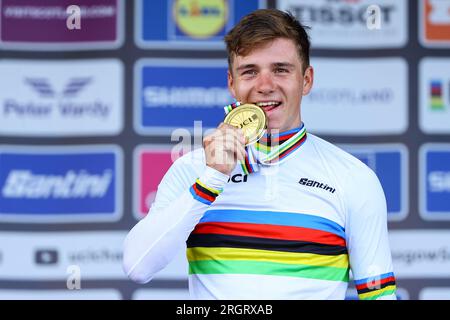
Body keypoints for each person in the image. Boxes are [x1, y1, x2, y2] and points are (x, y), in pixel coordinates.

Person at [123, 8, 397, 300]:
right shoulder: (193, 169)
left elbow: (378, 296)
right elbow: (138, 266)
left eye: (281, 69)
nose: (265, 86)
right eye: (250, 71)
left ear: (306, 80)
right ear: (232, 83)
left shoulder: (353, 178)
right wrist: (212, 180)